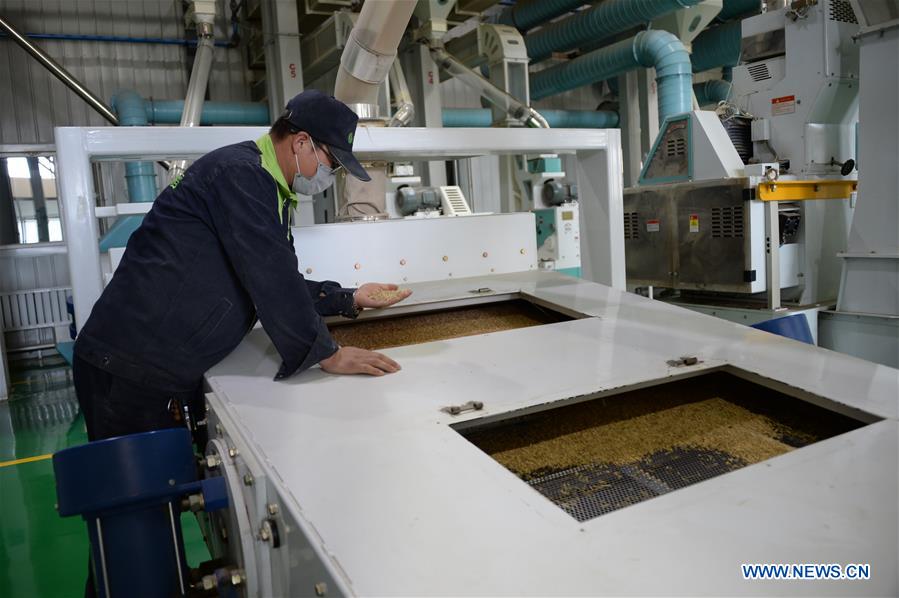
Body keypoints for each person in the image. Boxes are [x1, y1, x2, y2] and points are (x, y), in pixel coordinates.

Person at [72, 89, 411, 443]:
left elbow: (276, 276)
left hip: (153, 367)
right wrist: (329, 355)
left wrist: (350, 297)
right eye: (332, 163)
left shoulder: (267, 188)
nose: (331, 175)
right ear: (301, 143)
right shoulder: (240, 175)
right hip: (128, 366)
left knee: (173, 483)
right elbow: (272, 279)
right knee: (145, 491)